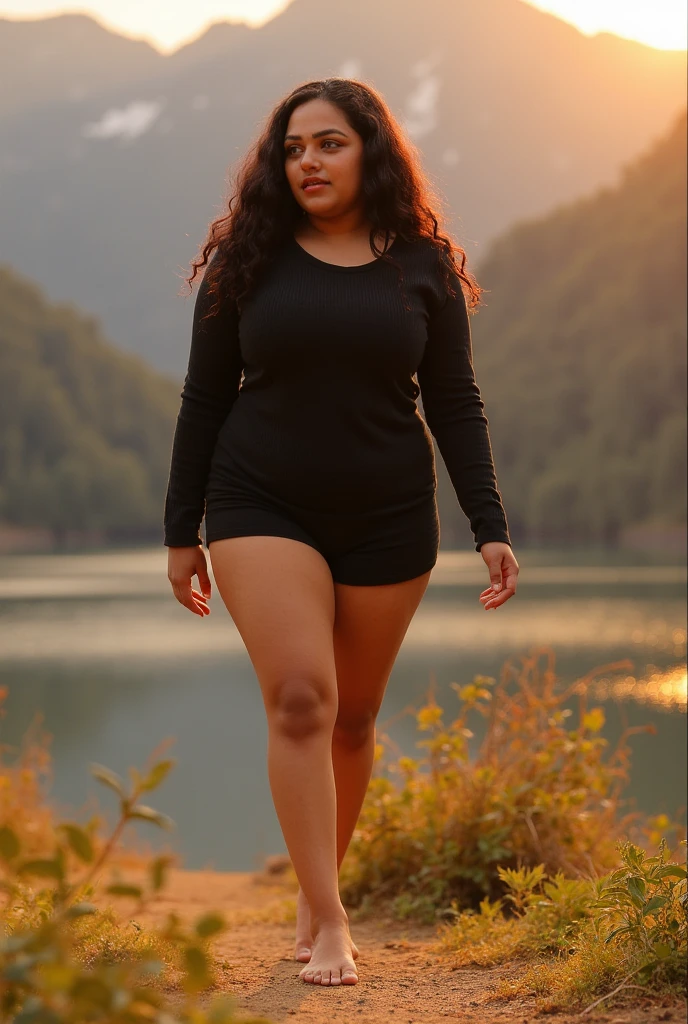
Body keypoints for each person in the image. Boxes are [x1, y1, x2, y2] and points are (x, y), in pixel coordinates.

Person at [164, 77, 519, 988]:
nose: (308, 161)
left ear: (372, 152)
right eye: (292, 148)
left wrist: (489, 523)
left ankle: (314, 885)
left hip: (389, 514)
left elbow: (455, 401)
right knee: (301, 701)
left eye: (328, 143)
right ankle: (329, 918)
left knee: (354, 718)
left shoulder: (424, 270)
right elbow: (204, 402)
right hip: (259, 503)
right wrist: (182, 532)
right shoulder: (246, 263)